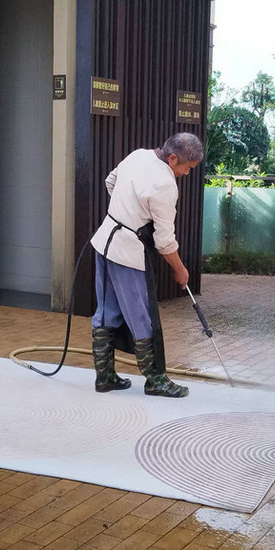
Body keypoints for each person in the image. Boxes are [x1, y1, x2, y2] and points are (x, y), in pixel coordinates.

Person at [89, 132, 203, 398]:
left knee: (106, 311)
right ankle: (155, 380)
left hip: (104, 244)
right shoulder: (165, 184)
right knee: (141, 317)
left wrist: (126, 211)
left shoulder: (138, 155)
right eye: (187, 167)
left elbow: (110, 181)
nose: (186, 173)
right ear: (173, 158)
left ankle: (104, 378)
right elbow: (165, 241)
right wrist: (181, 270)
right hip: (128, 254)